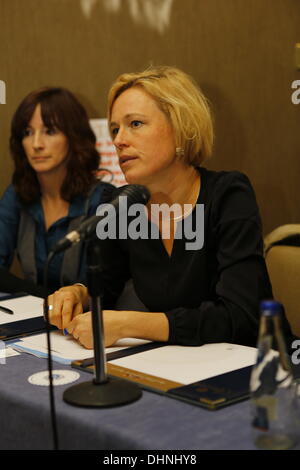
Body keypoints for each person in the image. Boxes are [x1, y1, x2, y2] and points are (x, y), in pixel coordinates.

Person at [47, 65, 276, 349]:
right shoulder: (123, 205)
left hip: (255, 367)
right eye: (115, 129)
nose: (118, 140)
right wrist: (78, 293)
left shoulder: (228, 195)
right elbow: (104, 288)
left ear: (181, 129)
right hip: (177, 365)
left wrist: (132, 325)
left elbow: (241, 317)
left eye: (135, 124)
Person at [0, 87, 114, 295]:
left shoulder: (103, 200)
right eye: (27, 133)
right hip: (33, 318)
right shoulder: (17, 195)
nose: (36, 144)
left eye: (49, 131)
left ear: (74, 137)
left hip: (87, 322)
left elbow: (106, 287)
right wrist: (48, 301)